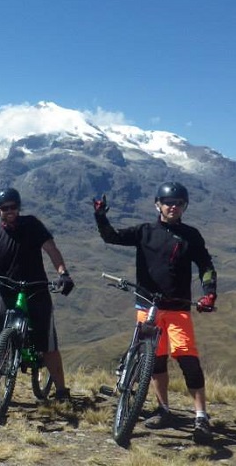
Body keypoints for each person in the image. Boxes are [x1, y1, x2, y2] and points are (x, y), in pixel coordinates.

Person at [93, 182, 217, 444]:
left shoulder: (191, 235)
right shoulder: (145, 231)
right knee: (156, 361)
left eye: (179, 203)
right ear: (157, 204)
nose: (173, 206)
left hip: (178, 308)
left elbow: (206, 265)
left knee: (188, 361)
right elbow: (111, 237)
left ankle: (201, 417)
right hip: (146, 306)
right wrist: (100, 216)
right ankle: (163, 410)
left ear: (184, 206)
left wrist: (210, 293)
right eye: (168, 202)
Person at [0, 187, 74, 401]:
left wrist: (63, 273)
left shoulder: (32, 225)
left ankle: (61, 391)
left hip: (36, 290)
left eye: (13, 207)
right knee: (3, 339)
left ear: (19, 207)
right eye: (5, 208)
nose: (10, 211)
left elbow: (51, 249)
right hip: (7, 290)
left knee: (48, 343)